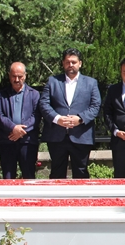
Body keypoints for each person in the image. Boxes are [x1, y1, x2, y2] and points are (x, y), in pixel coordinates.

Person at [39, 49, 102, 179]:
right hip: (57, 136)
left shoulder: (91, 83)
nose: (71, 65)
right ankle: (57, 199)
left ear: (80, 63)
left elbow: (96, 106)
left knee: (81, 172)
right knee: (57, 173)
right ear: (63, 63)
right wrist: (57, 119)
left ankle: (81, 200)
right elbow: (44, 104)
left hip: (81, 135)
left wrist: (80, 119)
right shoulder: (53, 82)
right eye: (68, 62)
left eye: (74, 62)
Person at [0, 62, 40, 180]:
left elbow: (37, 115)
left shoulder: (34, 94)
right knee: (8, 177)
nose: (17, 79)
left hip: (28, 141)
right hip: (7, 140)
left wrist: (20, 131)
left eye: (20, 76)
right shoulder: (1, 94)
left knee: (29, 176)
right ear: (9, 75)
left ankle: (30, 199)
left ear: (25, 75)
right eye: (14, 76)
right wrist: (13, 128)